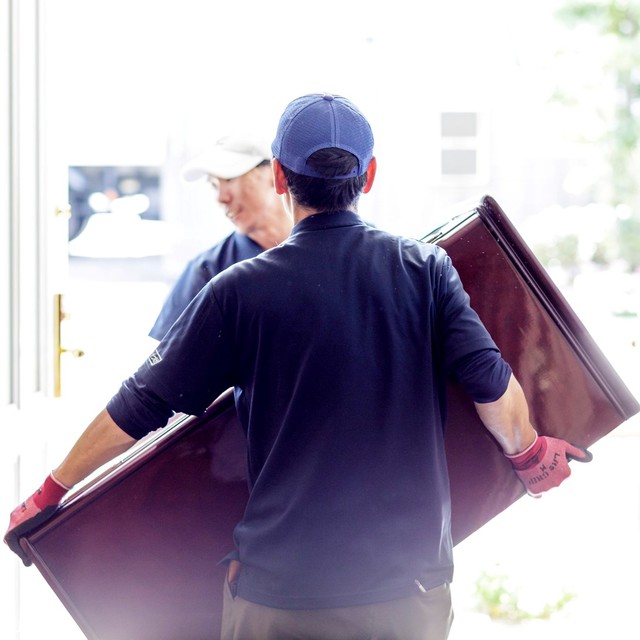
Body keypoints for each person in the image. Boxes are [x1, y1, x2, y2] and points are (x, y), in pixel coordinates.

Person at [5, 93, 592, 640]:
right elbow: (493, 388)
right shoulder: (425, 271)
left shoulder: (237, 291)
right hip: (406, 592)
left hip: (280, 595)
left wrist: (50, 491)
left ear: (280, 177)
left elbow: (138, 406)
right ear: (369, 176)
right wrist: (530, 455)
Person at [149, 134, 293, 340]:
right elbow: (163, 364)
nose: (221, 198)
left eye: (229, 179)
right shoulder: (206, 271)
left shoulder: (326, 255)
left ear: (274, 174)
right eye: (214, 185)